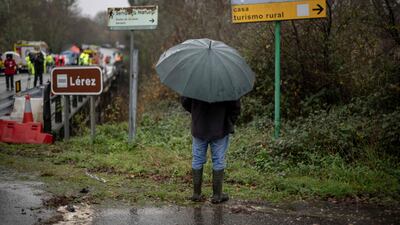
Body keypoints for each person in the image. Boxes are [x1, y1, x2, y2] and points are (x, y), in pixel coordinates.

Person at [181, 97, 241, 204]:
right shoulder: (226, 84)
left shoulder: (195, 82)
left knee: (197, 159)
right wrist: (229, 120)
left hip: (199, 126)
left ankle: (196, 194)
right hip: (220, 127)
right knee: (218, 160)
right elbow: (235, 107)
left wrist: (196, 113)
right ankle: (217, 195)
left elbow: (185, 102)